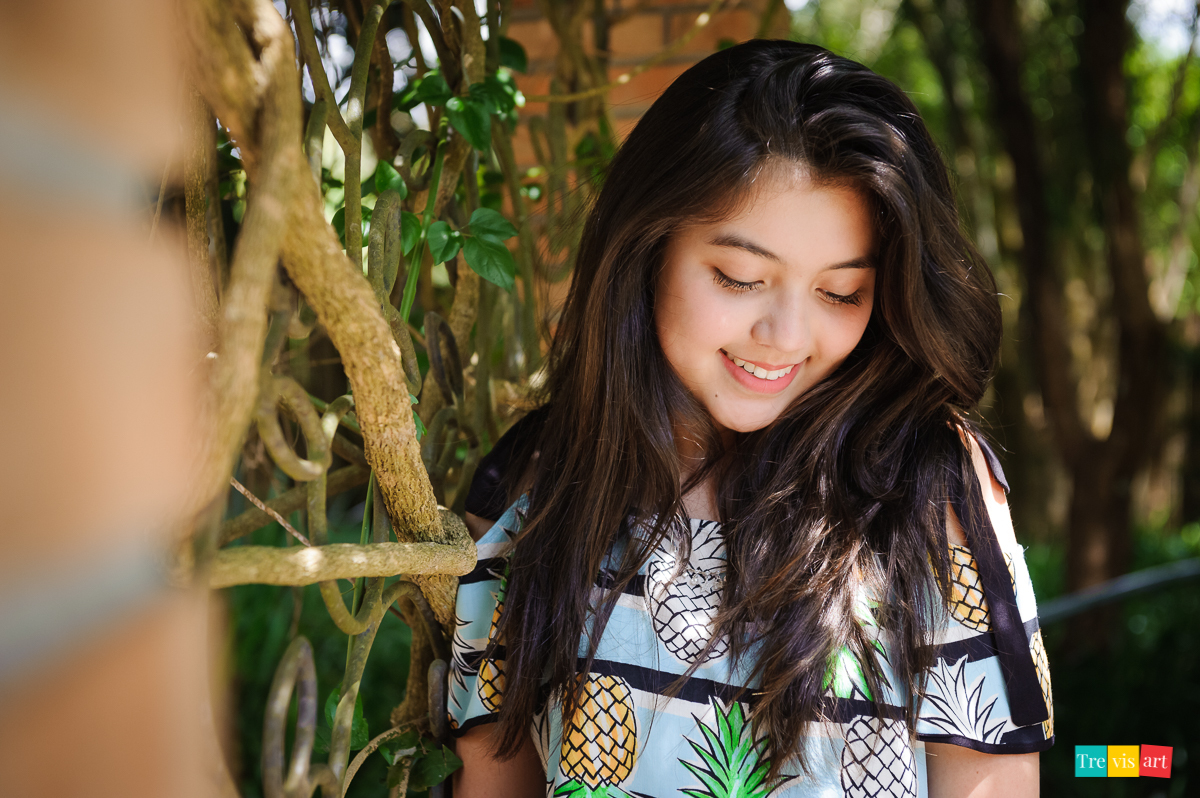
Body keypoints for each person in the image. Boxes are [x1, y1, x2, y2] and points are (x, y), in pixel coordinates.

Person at [447, 40, 1053, 798]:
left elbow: (991, 780)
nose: (788, 336)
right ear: (650, 248)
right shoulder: (532, 488)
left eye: (841, 293)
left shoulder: (930, 487)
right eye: (740, 277)